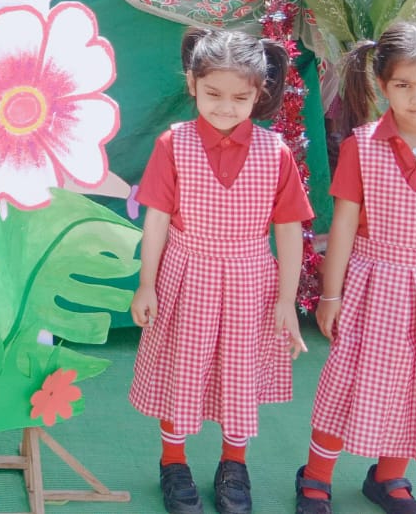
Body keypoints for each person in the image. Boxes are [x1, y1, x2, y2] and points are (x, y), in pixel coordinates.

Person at [294, 22, 416, 514]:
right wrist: (330, 295)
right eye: (404, 84)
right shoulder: (361, 147)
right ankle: (316, 477)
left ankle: (389, 478)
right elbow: (342, 225)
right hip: (373, 286)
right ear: (382, 85)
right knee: (347, 380)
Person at [129, 27, 312, 514]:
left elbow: (289, 230)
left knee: (240, 372)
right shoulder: (173, 144)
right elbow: (157, 220)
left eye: (240, 97)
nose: (226, 107)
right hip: (186, 277)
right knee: (181, 370)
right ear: (192, 84)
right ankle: (173, 462)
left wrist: (286, 300)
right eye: (213, 94)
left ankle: (235, 463)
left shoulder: (276, 152)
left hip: (250, 280)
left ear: (259, 93)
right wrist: (146, 284)